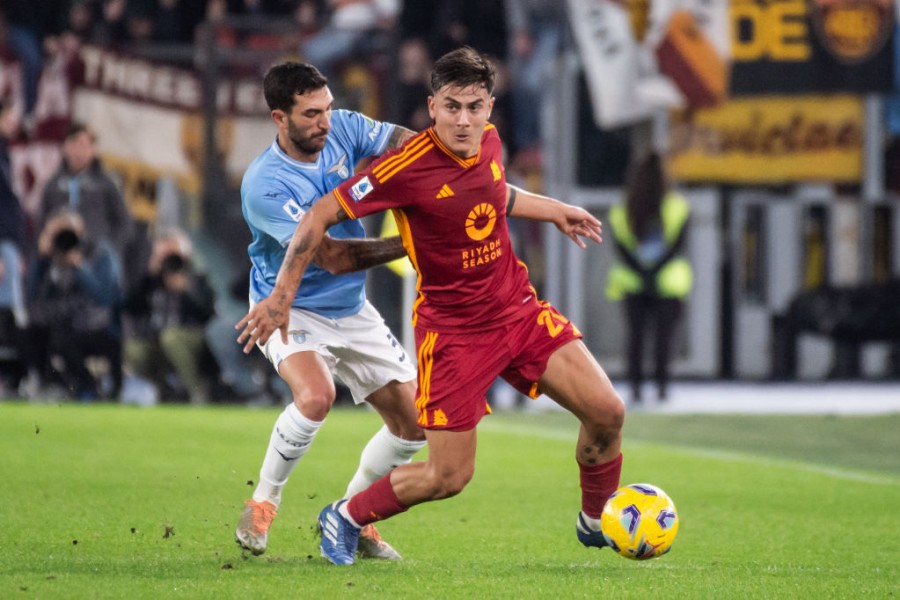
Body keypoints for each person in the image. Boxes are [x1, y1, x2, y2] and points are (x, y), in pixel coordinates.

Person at [237, 46, 625, 566]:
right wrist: (281, 298)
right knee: (447, 476)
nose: (464, 120)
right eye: (451, 107)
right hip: (454, 333)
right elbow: (321, 224)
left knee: (607, 412)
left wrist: (555, 210)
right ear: (432, 106)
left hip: (515, 309)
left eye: (475, 106)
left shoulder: (488, 142)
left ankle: (597, 520)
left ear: (490, 107)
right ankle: (338, 513)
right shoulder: (400, 171)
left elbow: (489, 193)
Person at [233, 60, 426, 560]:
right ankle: (263, 502)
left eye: (328, 109)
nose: (325, 122)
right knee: (317, 395)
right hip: (287, 305)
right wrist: (409, 244)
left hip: (350, 308)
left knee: (415, 424)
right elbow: (335, 257)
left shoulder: (342, 127)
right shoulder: (264, 186)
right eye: (311, 114)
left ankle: (352, 516)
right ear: (280, 118)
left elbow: (407, 143)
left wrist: (446, 159)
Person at [606, 151, 692, 403]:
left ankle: (635, 389)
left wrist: (641, 272)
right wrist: (655, 272)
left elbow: (620, 247)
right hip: (668, 282)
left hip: (632, 281)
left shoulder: (623, 208)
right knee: (664, 339)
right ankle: (662, 388)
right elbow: (678, 246)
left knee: (635, 337)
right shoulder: (677, 206)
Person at [26, 209, 123, 400]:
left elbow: (104, 296)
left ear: (80, 230)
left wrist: (80, 267)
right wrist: (40, 261)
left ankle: (88, 388)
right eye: (55, 234)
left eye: (66, 232)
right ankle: (51, 385)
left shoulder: (100, 252)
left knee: (66, 340)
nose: (62, 239)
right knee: (29, 333)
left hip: (95, 324)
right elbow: (32, 295)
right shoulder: (48, 257)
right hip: (59, 322)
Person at [122, 227, 218, 405]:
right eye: (163, 255)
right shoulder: (153, 280)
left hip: (191, 338)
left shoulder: (197, 274)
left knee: (171, 337)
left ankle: (197, 391)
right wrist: (148, 278)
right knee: (133, 350)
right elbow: (130, 307)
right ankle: (163, 390)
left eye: (172, 254)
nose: (169, 260)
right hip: (157, 339)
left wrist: (185, 292)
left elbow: (208, 312)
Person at [39, 122, 134, 264]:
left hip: (95, 258)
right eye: (75, 145)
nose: (80, 151)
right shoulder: (53, 185)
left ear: (94, 150)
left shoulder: (106, 184)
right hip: (59, 257)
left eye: (86, 146)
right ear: (65, 147)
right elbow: (41, 221)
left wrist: (108, 248)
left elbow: (124, 223)